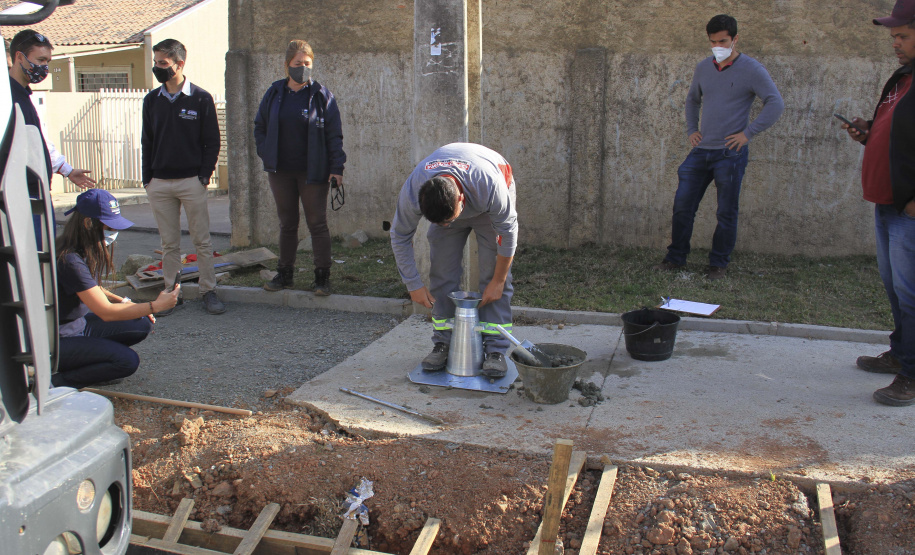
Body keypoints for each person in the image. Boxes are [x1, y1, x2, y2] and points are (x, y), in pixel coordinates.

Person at [654, 15, 784, 280]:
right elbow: (692, 100)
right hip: (701, 151)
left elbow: (775, 103)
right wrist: (692, 130)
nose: (717, 46)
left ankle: (718, 265)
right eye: (712, 42)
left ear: (735, 39)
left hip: (730, 154)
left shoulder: (751, 69)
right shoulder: (703, 67)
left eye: (723, 41)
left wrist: (748, 134)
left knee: (726, 211)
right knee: (682, 206)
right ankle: (676, 258)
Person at [841, 0, 915, 407]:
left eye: (902, 35)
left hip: (908, 209)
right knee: (896, 290)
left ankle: (913, 374)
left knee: (912, 293)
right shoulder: (902, 78)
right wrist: (868, 133)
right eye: (893, 37)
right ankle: (902, 355)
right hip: (887, 204)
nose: (895, 44)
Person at [390, 143, 518, 378]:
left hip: (486, 205)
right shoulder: (415, 188)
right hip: (453, 200)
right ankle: (443, 343)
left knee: (493, 275)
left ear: (460, 199)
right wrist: (413, 285)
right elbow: (399, 235)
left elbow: (507, 235)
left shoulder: (489, 185)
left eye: (447, 221)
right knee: (441, 273)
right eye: (438, 223)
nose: (445, 227)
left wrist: (499, 280)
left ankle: (495, 351)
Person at [54, 189, 180, 388]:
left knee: (140, 323)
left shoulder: (79, 249)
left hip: (75, 326)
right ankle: (54, 383)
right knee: (126, 361)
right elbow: (106, 312)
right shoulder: (69, 260)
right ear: (88, 223)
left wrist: (122, 301)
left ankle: (89, 365)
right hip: (57, 340)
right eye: (109, 227)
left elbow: (90, 287)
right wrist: (154, 306)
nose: (114, 233)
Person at [253, 39, 345, 295]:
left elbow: (334, 135)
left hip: (313, 172)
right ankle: (285, 275)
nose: (302, 68)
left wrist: (337, 168)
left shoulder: (322, 96)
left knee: (317, 223)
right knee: (287, 223)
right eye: (297, 63)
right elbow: (259, 126)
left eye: (307, 63)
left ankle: (322, 278)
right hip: (280, 171)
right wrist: (265, 151)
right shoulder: (274, 93)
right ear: (287, 66)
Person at [141, 38, 224, 315]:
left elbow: (212, 141)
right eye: (156, 63)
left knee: (202, 241)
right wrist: (147, 179)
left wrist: (203, 176)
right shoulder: (152, 100)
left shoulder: (200, 98)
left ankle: (208, 290)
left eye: (163, 63)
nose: (158, 68)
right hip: (160, 183)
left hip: (192, 181)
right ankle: (171, 294)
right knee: (169, 244)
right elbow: (147, 141)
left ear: (180, 64)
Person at [5, 35, 95, 191]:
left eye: (47, 61)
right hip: (15, 195)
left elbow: (38, 141)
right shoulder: (7, 98)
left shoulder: (24, 96)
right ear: (19, 57)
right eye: (40, 60)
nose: (44, 67)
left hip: (33, 193)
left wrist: (67, 170)